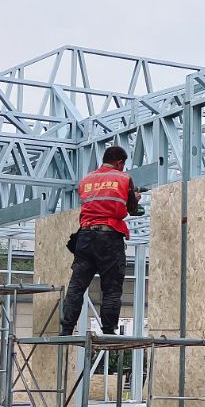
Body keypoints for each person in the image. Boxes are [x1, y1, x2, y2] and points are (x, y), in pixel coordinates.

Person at [59, 144, 142, 336]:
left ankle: (66, 328)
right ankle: (108, 331)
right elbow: (132, 209)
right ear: (119, 162)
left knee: (77, 286)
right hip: (109, 237)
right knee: (111, 288)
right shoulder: (124, 178)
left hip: (85, 237)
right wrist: (135, 197)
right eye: (122, 165)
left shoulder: (86, 180)